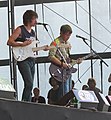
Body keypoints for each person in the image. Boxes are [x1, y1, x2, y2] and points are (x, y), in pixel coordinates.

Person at [7, 10, 48, 101]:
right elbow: (9, 41)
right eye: (34, 19)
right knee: (29, 83)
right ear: (29, 19)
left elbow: (32, 47)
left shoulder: (33, 32)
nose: (36, 21)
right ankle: (24, 102)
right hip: (23, 59)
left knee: (30, 84)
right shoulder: (20, 29)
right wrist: (21, 44)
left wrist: (42, 48)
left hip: (31, 59)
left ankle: (28, 102)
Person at [48, 24, 82, 100]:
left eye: (69, 35)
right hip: (59, 69)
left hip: (66, 70)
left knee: (68, 89)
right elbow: (51, 56)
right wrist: (61, 64)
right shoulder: (55, 42)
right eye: (66, 35)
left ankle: (66, 103)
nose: (68, 37)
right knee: (63, 90)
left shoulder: (68, 44)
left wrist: (76, 61)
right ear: (61, 33)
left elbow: (68, 58)